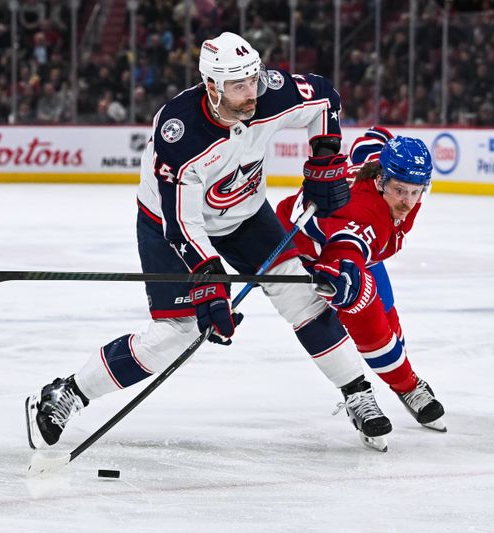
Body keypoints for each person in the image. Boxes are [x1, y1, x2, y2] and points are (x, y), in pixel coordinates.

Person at [25, 32, 394, 453]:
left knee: (303, 297)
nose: (252, 92)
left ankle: (357, 391)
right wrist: (209, 282)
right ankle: (68, 393)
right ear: (212, 85)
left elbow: (325, 98)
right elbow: (182, 223)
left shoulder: (270, 93)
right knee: (174, 335)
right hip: (171, 224)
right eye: (239, 85)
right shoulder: (179, 133)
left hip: (248, 216)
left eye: (253, 79)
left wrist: (325, 159)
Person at [276, 126, 447, 431]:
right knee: (361, 305)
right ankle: (364, 391)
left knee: (387, 311)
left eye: (415, 191)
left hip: (352, 249)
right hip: (301, 250)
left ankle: (405, 383)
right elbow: (348, 245)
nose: (407, 202)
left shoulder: (377, 162)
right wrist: (345, 275)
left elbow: (373, 136)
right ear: (381, 181)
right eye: (399, 190)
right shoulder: (370, 214)